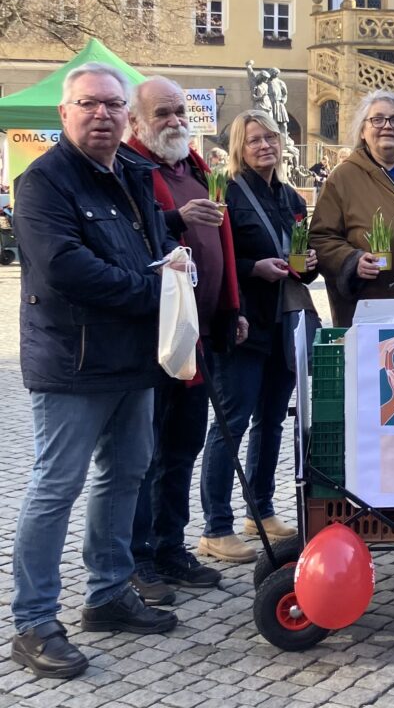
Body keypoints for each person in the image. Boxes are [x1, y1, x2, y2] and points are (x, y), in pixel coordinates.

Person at [11, 64, 177, 681]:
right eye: (89, 104)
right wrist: (151, 290)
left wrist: (172, 268)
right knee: (56, 486)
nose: (102, 115)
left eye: (112, 105)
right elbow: (66, 269)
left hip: (132, 357)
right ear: (64, 113)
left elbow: (154, 250)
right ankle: (32, 622)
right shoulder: (43, 182)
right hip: (73, 361)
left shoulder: (133, 174)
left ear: (126, 116)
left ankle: (108, 593)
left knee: (126, 473)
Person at [125, 78, 240, 603]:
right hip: (153, 338)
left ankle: (171, 545)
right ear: (137, 121)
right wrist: (176, 221)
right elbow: (134, 238)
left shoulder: (194, 167)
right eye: (162, 113)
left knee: (183, 445)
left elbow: (224, 241)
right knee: (144, 451)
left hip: (199, 335)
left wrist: (231, 307)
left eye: (178, 111)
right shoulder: (130, 169)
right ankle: (138, 557)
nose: (174, 120)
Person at [198, 109, 318, 564]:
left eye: (271, 137)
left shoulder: (291, 197)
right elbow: (212, 255)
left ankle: (261, 509)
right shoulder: (225, 192)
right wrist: (253, 268)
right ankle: (215, 526)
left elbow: (303, 259)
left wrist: (307, 265)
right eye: (254, 140)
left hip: (284, 320)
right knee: (230, 423)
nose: (265, 146)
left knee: (272, 420)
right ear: (238, 148)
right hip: (243, 323)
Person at [310, 90, 394, 327]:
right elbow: (321, 236)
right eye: (377, 119)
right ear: (363, 132)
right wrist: (351, 260)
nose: (387, 126)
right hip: (375, 302)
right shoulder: (343, 177)